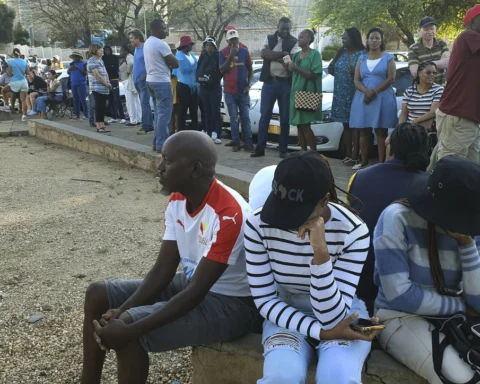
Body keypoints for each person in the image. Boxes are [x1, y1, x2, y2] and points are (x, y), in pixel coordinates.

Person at [80, 131, 260, 384]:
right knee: (98, 293)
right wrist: (121, 310)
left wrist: (130, 327)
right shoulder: (178, 199)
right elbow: (163, 269)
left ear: (195, 169)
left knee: (129, 331)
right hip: (194, 284)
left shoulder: (229, 213)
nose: (159, 168)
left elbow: (197, 291)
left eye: (168, 160)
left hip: (233, 303)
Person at [245, 151, 378, 384]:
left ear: (324, 200)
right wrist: (322, 333)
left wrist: (321, 254)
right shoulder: (257, 224)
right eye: (281, 206)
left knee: (338, 378)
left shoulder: (353, 231)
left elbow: (333, 316)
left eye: (296, 211)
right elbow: (265, 300)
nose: (285, 219)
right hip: (283, 308)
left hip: (342, 310)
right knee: (280, 377)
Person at [374, 156, 480, 384]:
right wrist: (461, 306)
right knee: (462, 378)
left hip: (456, 318)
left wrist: (466, 244)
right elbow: (399, 294)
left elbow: (478, 300)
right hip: (399, 316)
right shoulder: (397, 218)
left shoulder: (471, 224)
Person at [348, 122, 431, 312]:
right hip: (407, 293)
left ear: (390, 147)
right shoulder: (430, 188)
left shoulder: (359, 177)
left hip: (358, 283)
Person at [429, 5, 480, 167]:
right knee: (450, 169)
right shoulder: (468, 36)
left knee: (469, 171)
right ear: (472, 22)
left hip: (465, 117)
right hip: (459, 115)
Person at [349, 27, 397, 170]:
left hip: (382, 97)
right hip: (363, 97)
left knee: (380, 131)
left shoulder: (388, 57)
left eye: (377, 38)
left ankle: (381, 164)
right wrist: (366, 92)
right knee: (363, 130)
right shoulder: (361, 58)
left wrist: (374, 91)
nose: (374, 41)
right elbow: (356, 80)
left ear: (381, 40)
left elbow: (391, 78)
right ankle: (363, 162)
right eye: (371, 38)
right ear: (367, 41)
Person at [252, 17, 300, 159]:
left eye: (288, 29)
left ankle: (283, 149)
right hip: (269, 82)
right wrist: (283, 54)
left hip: (285, 83)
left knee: (284, 119)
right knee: (264, 117)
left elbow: (290, 61)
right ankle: (260, 148)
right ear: (278, 26)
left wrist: (272, 55)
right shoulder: (269, 38)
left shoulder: (294, 41)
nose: (285, 31)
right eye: (283, 28)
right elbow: (263, 55)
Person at [328, 27, 365, 166]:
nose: (342, 40)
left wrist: (354, 73)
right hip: (340, 94)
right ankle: (348, 154)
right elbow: (331, 69)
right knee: (346, 126)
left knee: (355, 125)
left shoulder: (363, 54)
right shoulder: (341, 52)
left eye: (345, 38)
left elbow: (366, 73)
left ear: (353, 39)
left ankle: (356, 155)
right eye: (342, 37)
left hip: (355, 93)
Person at [144, 19, 179, 153]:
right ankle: (162, 145)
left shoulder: (147, 42)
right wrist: (169, 62)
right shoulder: (161, 44)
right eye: (164, 28)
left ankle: (156, 143)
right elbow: (176, 64)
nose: (166, 31)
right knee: (164, 114)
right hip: (162, 82)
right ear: (157, 29)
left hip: (150, 81)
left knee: (158, 114)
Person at [287, 29, 322, 151]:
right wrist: (288, 67)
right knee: (299, 126)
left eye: (302, 37)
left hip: (307, 93)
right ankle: (303, 152)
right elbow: (293, 74)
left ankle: (313, 153)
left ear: (308, 40)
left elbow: (315, 74)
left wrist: (296, 69)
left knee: (306, 125)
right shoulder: (296, 55)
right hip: (295, 93)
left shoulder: (314, 54)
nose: (299, 39)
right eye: (299, 37)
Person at [220, 29, 254, 152]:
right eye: (231, 40)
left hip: (243, 91)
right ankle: (236, 142)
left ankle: (248, 143)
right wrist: (231, 55)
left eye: (236, 39)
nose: (234, 42)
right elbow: (222, 70)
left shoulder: (245, 52)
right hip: (230, 91)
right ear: (228, 41)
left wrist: (248, 85)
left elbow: (250, 70)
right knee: (233, 118)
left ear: (238, 39)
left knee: (245, 117)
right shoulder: (222, 53)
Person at [399, 61, 443, 132]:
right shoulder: (409, 90)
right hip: (409, 128)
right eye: (428, 72)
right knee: (388, 141)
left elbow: (433, 112)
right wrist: (400, 128)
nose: (432, 75)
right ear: (419, 73)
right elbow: (404, 113)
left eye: (434, 73)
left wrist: (413, 123)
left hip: (426, 130)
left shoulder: (438, 90)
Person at [408, 17, 450, 86]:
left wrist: (424, 66)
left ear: (435, 30)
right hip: (422, 92)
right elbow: (415, 72)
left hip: (441, 90)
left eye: (432, 29)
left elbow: (448, 63)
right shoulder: (413, 48)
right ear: (420, 31)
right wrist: (440, 62)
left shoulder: (442, 44)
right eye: (426, 29)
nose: (430, 32)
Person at [196, 36, 222, 144]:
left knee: (216, 111)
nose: (209, 47)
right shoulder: (203, 56)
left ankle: (218, 134)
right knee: (207, 112)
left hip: (214, 87)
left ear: (214, 46)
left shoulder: (218, 56)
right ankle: (209, 133)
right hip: (204, 87)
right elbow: (198, 70)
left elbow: (220, 71)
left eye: (211, 45)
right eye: (207, 45)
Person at [129, 29, 154, 135]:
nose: (130, 41)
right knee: (143, 103)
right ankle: (149, 125)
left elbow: (152, 62)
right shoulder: (136, 49)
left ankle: (146, 126)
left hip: (143, 81)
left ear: (138, 38)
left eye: (132, 38)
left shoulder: (145, 48)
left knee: (144, 103)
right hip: (137, 80)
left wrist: (147, 74)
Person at [87, 43, 112, 133]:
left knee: (102, 107)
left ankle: (102, 125)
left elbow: (105, 72)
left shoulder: (100, 60)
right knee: (98, 107)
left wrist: (108, 82)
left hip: (104, 88)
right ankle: (99, 126)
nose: (102, 51)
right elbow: (97, 75)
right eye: (99, 49)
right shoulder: (91, 61)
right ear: (94, 50)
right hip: (97, 88)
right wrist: (105, 83)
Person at [175, 35, 199, 132]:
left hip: (194, 86)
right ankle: (181, 130)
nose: (191, 46)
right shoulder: (179, 55)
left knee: (194, 109)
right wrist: (195, 67)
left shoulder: (192, 55)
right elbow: (184, 69)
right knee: (183, 109)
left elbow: (197, 66)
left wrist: (194, 67)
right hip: (183, 86)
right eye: (190, 44)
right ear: (185, 45)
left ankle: (195, 130)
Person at [119, 45, 141, 127]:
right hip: (130, 81)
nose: (120, 52)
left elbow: (131, 64)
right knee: (136, 101)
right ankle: (138, 119)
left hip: (129, 81)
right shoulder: (129, 56)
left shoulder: (128, 57)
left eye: (121, 50)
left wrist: (128, 71)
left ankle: (133, 120)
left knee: (130, 101)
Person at [103, 45, 126, 124]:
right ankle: (114, 117)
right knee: (110, 99)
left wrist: (110, 68)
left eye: (108, 50)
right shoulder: (103, 58)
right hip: (107, 80)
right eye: (106, 51)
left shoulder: (115, 58)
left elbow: (116, 68)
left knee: (117, 98)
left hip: (114, 79)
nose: (107, 52)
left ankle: (122, 117)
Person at [7, 48, 30, 121]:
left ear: (13, 54)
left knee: (4, 90)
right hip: (23, 82)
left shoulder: (10, 62)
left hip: (15, 82)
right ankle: (24, 116)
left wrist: (8, 71)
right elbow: (27, 73)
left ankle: (7, 106)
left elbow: (10, 75)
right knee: (23, 100)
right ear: (20, 53)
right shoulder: (24, 62)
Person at [68, 51, 89, 121]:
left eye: (75, 56)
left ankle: (86, 114)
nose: (74, 58)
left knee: (82, 99)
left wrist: (78, 68)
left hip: (81, 83)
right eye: (73, 57)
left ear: (79, 57)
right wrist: (70, 69)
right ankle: (77, 115)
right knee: (75, 100)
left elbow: (86, 73)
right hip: (73, 83)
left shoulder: (84, 63)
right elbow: (68, 72)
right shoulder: (72, 64)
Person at [169, 43, 179, 135]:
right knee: (171, 110)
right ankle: (172, 129)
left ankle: (177, 129)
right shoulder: (167, 60)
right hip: (170, 85)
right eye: (171, 50)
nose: (173, 52)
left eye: (174, 50)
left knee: (176, 110)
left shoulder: (177, 60)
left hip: (177, 84)